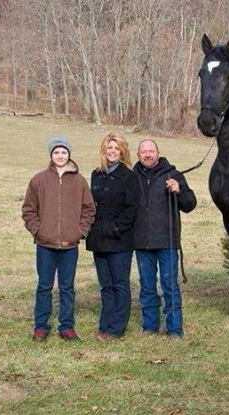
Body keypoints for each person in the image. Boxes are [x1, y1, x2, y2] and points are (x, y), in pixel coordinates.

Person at [21, 136, 95, 342]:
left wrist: (79, 231)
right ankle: (41, 326)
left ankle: (67, 326)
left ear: (69, 154)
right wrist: (39, 230)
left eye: (64, 152)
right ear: (51, 155)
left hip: (70, 245)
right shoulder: (39, 180)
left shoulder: (79, 181)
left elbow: (89, 209)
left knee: (67, 287)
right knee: (44, 285)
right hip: (45, 244)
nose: (60, 156)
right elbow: (28, 210)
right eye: (56, 152)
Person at [133, 139, 197, 339]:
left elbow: (190, 204)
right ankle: (150, 326)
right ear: (138, 155)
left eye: (151, 151)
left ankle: (174, 329)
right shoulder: (132, 176)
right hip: (142, 241)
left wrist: (179, 190)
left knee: (169, 284)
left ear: (158, 153)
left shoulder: (173, 174)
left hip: (167, 241)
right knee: (147, 286)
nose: (148, 154)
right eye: (144, 151)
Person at [86, 133, 139, 340]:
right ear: (104, 151)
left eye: (116, 149)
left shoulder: (129, 177)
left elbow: (132, 208)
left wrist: (116, 228)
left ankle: (117, 328)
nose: (113, 152)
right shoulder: (96, 174)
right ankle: (104, 325)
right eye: (109, 148)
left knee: (120, 283)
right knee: (105, 285)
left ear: (122, 151)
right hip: (98, 238)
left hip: (119, 239)